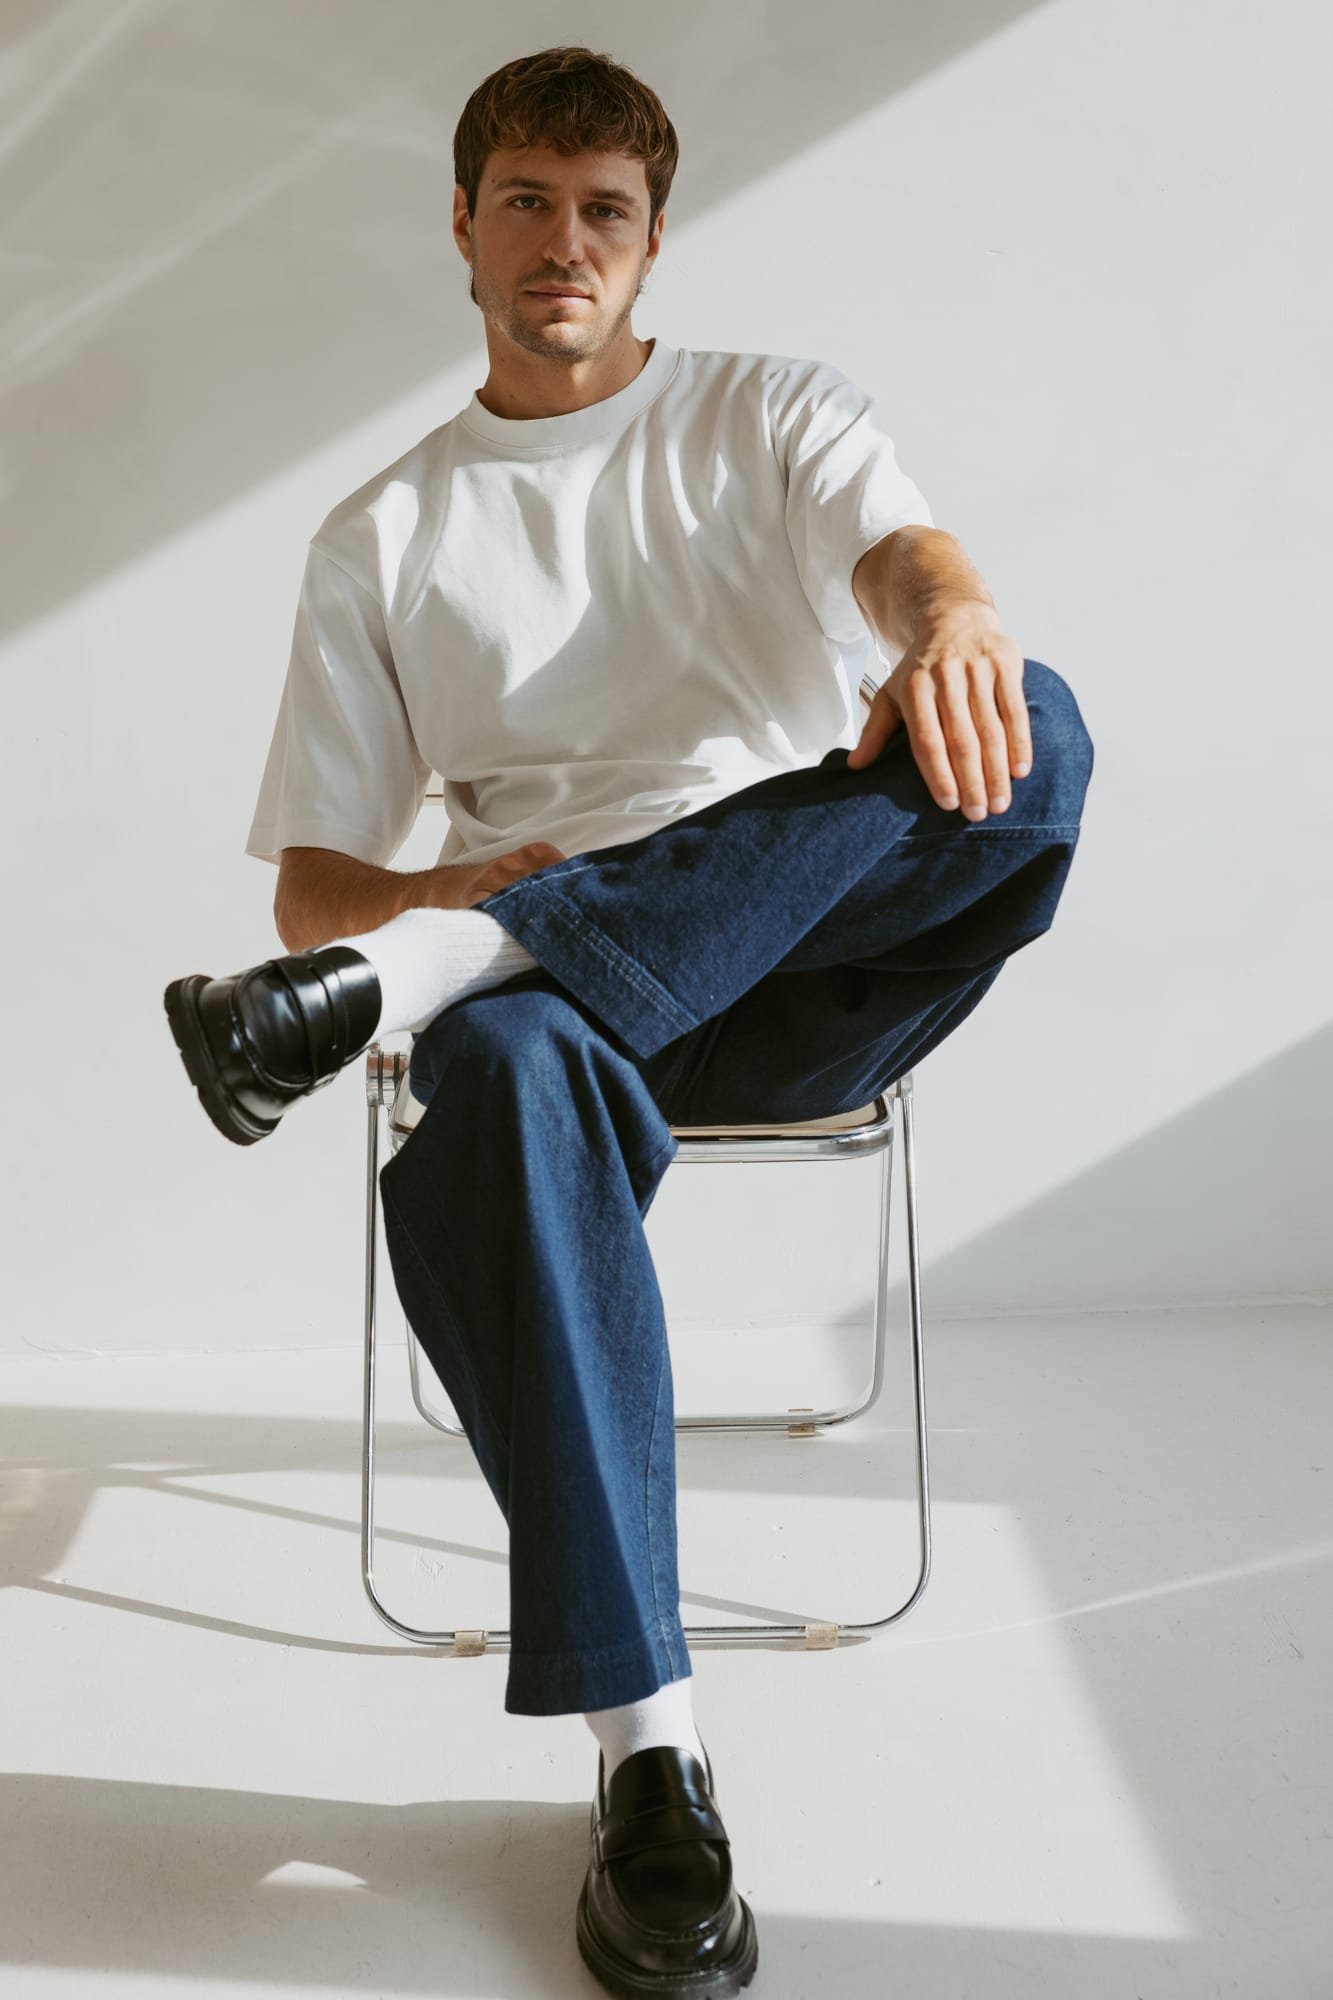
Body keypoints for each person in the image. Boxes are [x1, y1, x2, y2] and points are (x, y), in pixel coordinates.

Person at [164, 42, 1094, 2000]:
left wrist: (950, 616)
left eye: (604, 210)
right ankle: (646, 1755)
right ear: (462, 225)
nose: (563, 242)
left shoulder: (769, 413)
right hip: (563, 1039)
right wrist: (429, 906)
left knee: (1031, 730)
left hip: (797, 973)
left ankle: (438, 984)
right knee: (503, 1067)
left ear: (654, 239)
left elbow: (903, 561)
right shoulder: (382, 534)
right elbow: (312, 892)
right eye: (526, 200)